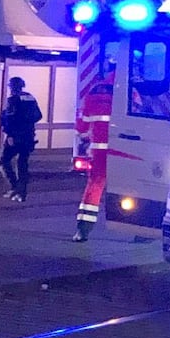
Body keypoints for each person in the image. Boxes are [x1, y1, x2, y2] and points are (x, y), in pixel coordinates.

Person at [73, 82, 113, 241]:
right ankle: (140, 230)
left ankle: (83, 230)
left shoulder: (93, 94)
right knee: (132, 187)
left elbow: (81, 127)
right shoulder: (131, 91)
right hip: (125, 150)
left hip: (99, 151)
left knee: (94, 187)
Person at [0, 76, 42, 202]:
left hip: (16, 136)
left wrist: (10, 134)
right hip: (29, 136)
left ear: (12, 87)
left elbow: (9, 119)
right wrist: (27, 124)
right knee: (22, 163)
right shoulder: (30, 98)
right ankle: (21, 193)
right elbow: (38, 115)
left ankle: (14, 187)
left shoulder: (12, 100)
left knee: (3, 160)